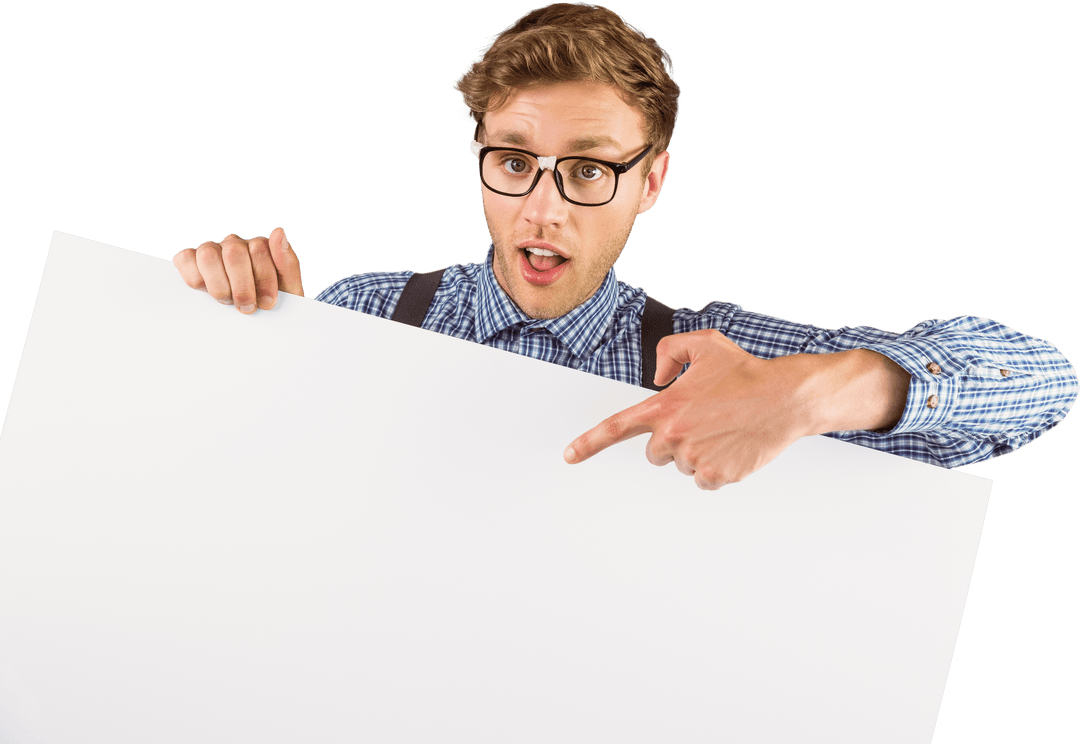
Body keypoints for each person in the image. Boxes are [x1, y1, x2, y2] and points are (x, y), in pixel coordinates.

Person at [171, 3, 1076, 490]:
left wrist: (806, 394)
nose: (544, 209)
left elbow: (1044, 382)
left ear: (651, 181)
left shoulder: (715, 360)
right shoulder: (365, 312)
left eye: (591, 169)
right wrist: (222, 334)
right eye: (515, 162)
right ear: (478, 157)